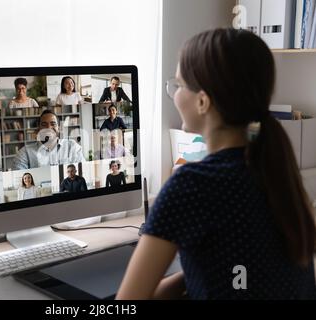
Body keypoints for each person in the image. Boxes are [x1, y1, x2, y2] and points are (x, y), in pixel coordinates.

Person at [117, 28, 316, 300]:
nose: (173, 95)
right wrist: (189, 278)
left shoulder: (191, 184)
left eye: (178, 85)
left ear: (202, 101)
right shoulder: (276, 170)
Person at [13, 110, 85, 169]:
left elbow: (83, 172)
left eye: (53, 124)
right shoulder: (25, 153)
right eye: (44, 124)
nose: (49, 127)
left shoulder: (72, 147)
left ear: (59, 128)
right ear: (39, 129)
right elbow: (21, 181)